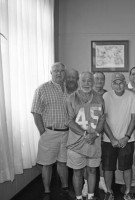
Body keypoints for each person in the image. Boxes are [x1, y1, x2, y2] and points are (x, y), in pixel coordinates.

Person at [31, 62, 71, 200]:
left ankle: (65, 187)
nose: (59, 73)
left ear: (64, 73)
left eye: (61, 70)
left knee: (63, 162)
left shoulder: (68, 89)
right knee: (47, 164)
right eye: (56, 71)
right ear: (51, 73)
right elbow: (36, 113)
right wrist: (43, 131)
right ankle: (47, 191)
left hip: (66, 133)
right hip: (49, 133)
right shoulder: (42, 89)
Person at [65, 72, 105, 200]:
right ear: (79, 82)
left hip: (94, 142)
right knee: (77, 172)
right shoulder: (71, 98)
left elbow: (103, 119)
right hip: (76, 143)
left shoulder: (99, 98)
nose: (87, 83)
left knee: (93, 171)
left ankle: (91, 196)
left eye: (89, 81)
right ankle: (78, 197)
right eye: (84, 80)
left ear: (92, 82)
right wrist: (85, 134)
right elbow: (69, 121)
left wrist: (96, 134)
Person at [102, 73, 135, 200]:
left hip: (127, 139)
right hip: (108, 140)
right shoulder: (106, 96)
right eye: (115, 83)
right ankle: (109, 192)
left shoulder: (131, 96)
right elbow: (103, 120)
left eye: (121, 82)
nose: (118, 85)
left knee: (127, 167)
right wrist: (112, 138)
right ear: (111, 84)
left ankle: (128, 192)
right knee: (108, 167)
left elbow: (134, 118)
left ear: (125, 82)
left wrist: (126, 137)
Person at [115, 66, 135, 194]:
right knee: (120, 156)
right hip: (123, 128)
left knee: (134, 157)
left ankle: (133, 183)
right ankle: (121, 182)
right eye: (133, 74)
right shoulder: (122, 89)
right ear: (129, 76)